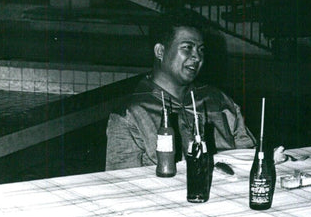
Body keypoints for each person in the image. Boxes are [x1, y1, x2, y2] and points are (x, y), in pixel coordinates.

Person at [105, 9, 256, 170]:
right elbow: (122, 182)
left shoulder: (218, 100)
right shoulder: (130, 114)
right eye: (187, 48)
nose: (197, 57)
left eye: (201, 50)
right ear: (160, 51)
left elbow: (248, 156)